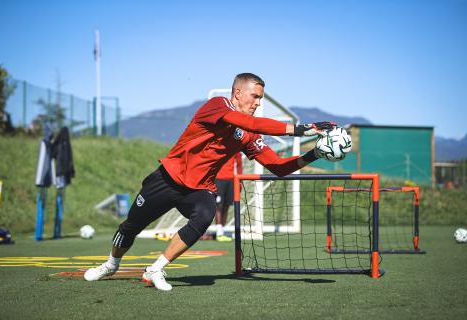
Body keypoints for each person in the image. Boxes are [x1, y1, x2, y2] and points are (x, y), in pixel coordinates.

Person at [84, 73, 336, 291]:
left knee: (205, 215)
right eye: (255, 96)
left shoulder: (248, 134)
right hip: (167, 177)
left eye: (261, 98)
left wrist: (313, 154)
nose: (258, 103)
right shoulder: (217, 104)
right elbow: (249, 122)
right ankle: (111, 264)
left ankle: (155, 269)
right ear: (238, 93)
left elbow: (278, 167)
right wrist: (302, 128)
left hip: (199, 187)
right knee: (130, 227)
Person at [213, 152, 242, 242]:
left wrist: (240, 181)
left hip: (231, 180)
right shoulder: (217, 146)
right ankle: (219, 233)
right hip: (218, 180)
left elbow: (239, 165)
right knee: (218, 206)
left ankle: (222, 230)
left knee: (226, 206)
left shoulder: (236, 148)